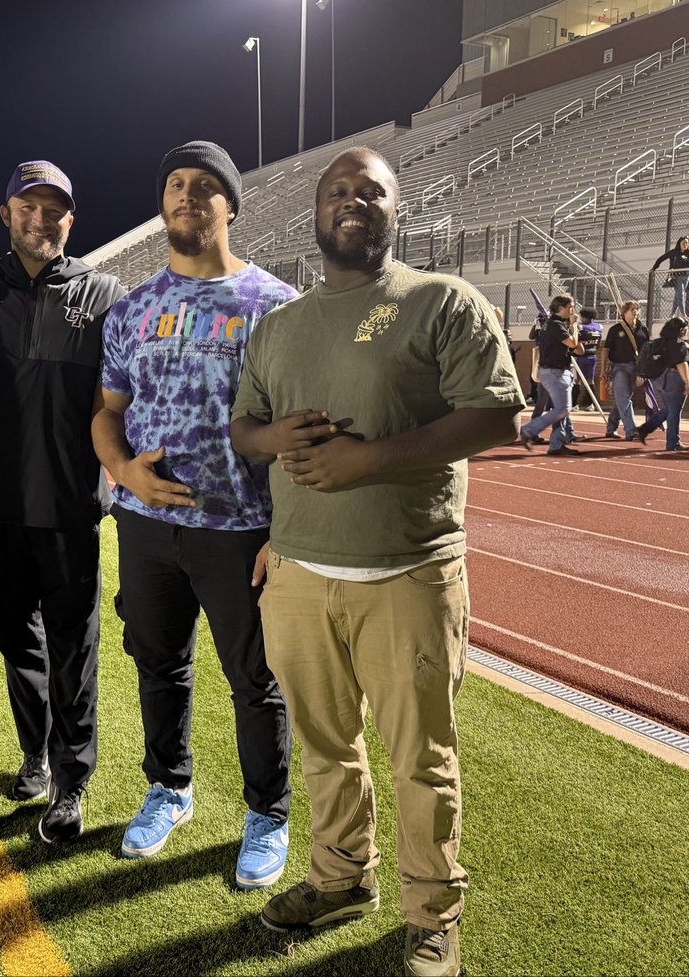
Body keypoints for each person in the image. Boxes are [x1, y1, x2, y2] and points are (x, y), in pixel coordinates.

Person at [230, 146, 524, 977]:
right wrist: (272, 438)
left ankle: (433, 913)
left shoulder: (441, 301)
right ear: (315, 211)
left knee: (420, 758)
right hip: (297, 573)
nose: (352, 201)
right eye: (337, 191)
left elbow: (497, 413)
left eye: (371, 191)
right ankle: (337, 876)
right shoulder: (281, 324)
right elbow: (243, 427)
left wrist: (370, 459)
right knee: (324, 745)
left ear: (397, 211)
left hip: (407, 571)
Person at [91, 140, 297, 889]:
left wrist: (287, 530)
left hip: (242, 527)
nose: (186, 195)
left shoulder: (275, 306)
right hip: (147, 527)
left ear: (230, 204)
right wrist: (121, 474)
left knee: (256, 676)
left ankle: (267, 811)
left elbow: (298, 429)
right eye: (174, 183)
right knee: (158, 663)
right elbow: (106, 415)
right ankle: (168, 787)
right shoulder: (133, 309)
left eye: (204, 186)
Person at [0, 161, 125, 844]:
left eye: (55, 208)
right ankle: (36, 750)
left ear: (70, 220)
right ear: (6, 215)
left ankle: (70, 779)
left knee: (73, 649)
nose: (41, 218)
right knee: (15, 641)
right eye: (28, 206)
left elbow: (121, 399)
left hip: (69, 510)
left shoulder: (104, 292)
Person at [518, 295, 583, 455]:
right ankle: (528, 430)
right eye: (570, 306)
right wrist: (574, 326)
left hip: (557, 370)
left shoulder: (553, 324)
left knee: (562, 409)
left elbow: (576, 349)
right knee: (562, 408)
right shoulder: (555, 324)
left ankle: (556, 444)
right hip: (554, 371)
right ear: (561, 308)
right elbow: (572, 344)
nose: (573, 310)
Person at [634, 317, 689, 451]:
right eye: (685, 328)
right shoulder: (677, 343)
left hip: (660, 380)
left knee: (669, 410)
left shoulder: (659, 342)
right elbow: (681, 363)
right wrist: (687, 381)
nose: (686, 331)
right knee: (674, 412)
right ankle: (672, 442)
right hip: (674, 379)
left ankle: (645, 429)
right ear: (681, 330)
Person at [601, 301, 649, 440]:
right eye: (632, 309)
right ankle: (631, 430)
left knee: (623, 399)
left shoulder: (643, 329)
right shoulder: (615, 329)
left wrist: (643, 371)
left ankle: (611, 428)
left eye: (637, 309)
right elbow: (606, 349)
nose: (635, 311)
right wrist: (603, 369)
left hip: (636, 368)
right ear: (624, 312)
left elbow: (645, 351)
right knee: (623, 399)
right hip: (619, 367)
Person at [652, 237, 689, 318]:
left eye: (687, 243)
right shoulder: (674, 252)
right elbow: (661, 259)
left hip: (686, 276)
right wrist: (654, 268)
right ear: (679, 244)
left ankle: (672, 314)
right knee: (681, 295)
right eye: (683, 243)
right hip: (677, 276)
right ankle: (683, 314)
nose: (685, 245)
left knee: (678, 295)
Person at [572, 307, 602, 413]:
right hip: (593, 356)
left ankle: (574, 404)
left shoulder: (581, 327)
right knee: (590, 380)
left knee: (577, 381)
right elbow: (599, 344)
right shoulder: (599, 327)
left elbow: (576, 341)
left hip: (580, 357)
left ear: (585, 317)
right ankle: (591, 404)